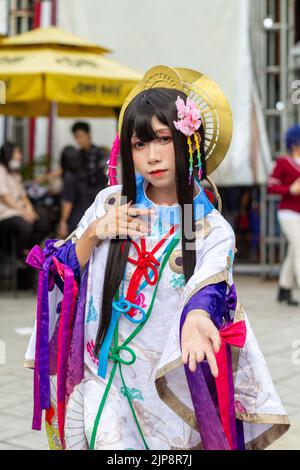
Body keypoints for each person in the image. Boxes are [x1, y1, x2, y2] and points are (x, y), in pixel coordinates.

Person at [24, 66, 289, 451]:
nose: (151, 156)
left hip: (168, 388)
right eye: (139, 144)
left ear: (188, 142)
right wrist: (97, 231)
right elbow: (62, 268)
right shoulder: (109, 203)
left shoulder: (211, 227)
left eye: (163, 139)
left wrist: (197, 319)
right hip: (105, 379)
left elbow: (210, 289)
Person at [57, 122, 108, 238]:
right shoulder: (76, 157)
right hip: (81, 201)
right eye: (76, 137)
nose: (78, 140)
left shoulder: (101, 153)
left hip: (99, 199)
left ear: (88, 135)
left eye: (80, 136)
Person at [268, 124, 300, 306]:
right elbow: (271, 186)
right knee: (299, 247)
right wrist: (290, 189)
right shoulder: (283, 162)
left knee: (294, 249)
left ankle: (284, 288)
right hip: (288, 213)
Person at [0, 142, 49, 258]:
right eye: (17, 153)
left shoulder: (15, 173)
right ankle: (18, 254)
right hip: (6, 211)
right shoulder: (1, 171)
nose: (20, 156)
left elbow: (23, 195)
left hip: (19, 209)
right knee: (25, 227)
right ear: (9, 154)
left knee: (43, 223)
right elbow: (4, 197)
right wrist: (23, 212)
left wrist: (30, 209)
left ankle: (28, 250)